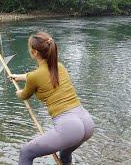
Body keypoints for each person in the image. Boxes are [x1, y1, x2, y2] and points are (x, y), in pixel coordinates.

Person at [8, 32, 94, 165]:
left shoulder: (34, 77)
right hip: (87, 123)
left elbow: (24, 94)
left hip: (69, 126)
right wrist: (19, 77)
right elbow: (39, 76)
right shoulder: (59, 66)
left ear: (34, 52)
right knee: (65, 154)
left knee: (26, 152)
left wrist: (18, 91)